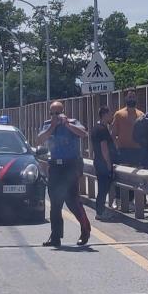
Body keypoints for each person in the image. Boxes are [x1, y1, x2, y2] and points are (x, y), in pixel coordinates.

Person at [37, 101, 91, 248]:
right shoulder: (48, 125)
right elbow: (40, 139)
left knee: (72, 201)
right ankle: (55, 237)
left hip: (70, 166)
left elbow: (83, 133)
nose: (55, 116)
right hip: (55, 166)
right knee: (55, 204)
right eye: (52, 113)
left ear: (63, 112)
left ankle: (85, 230)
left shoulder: (72, 122)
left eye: (57, 112)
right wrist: (52, 126)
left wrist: (67, 125)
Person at [90, 105, 116, 221]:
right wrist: (109, 164)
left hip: (98, 161)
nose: (112, 117)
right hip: (103, 163)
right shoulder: (102, 129)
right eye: (110, 115)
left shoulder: (95, 128)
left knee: (102, 188)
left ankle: (100, 210)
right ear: (105, 115)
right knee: (103, 188)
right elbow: (104, 148)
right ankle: (100, 212)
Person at [112, 89, 144, 167]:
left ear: (136, 98)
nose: (131, 99)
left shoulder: (141, 115)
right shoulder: (119, 114)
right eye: (130, 97)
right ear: (126, 98)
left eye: (133, 97)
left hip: (137, 151)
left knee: (137, 177)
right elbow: (113, 134)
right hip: (123, 150)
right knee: (124, 176)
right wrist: (117, 147)